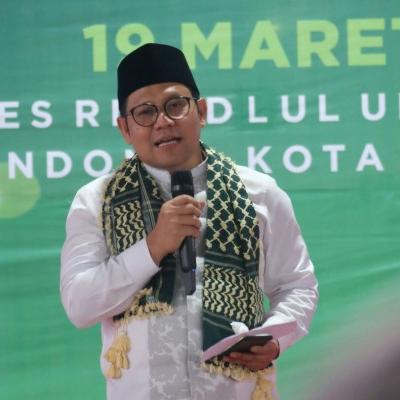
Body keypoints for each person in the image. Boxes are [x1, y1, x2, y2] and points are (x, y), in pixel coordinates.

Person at [60, 43, 318, 400]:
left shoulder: (259, 193)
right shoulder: (96, 201)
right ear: (125, 129)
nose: (163, 121)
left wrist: (274, 338)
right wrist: (153, 247)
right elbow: (80, 304)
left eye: (175, 105)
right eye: (145, 112)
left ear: (202, 111)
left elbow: (297, 285)